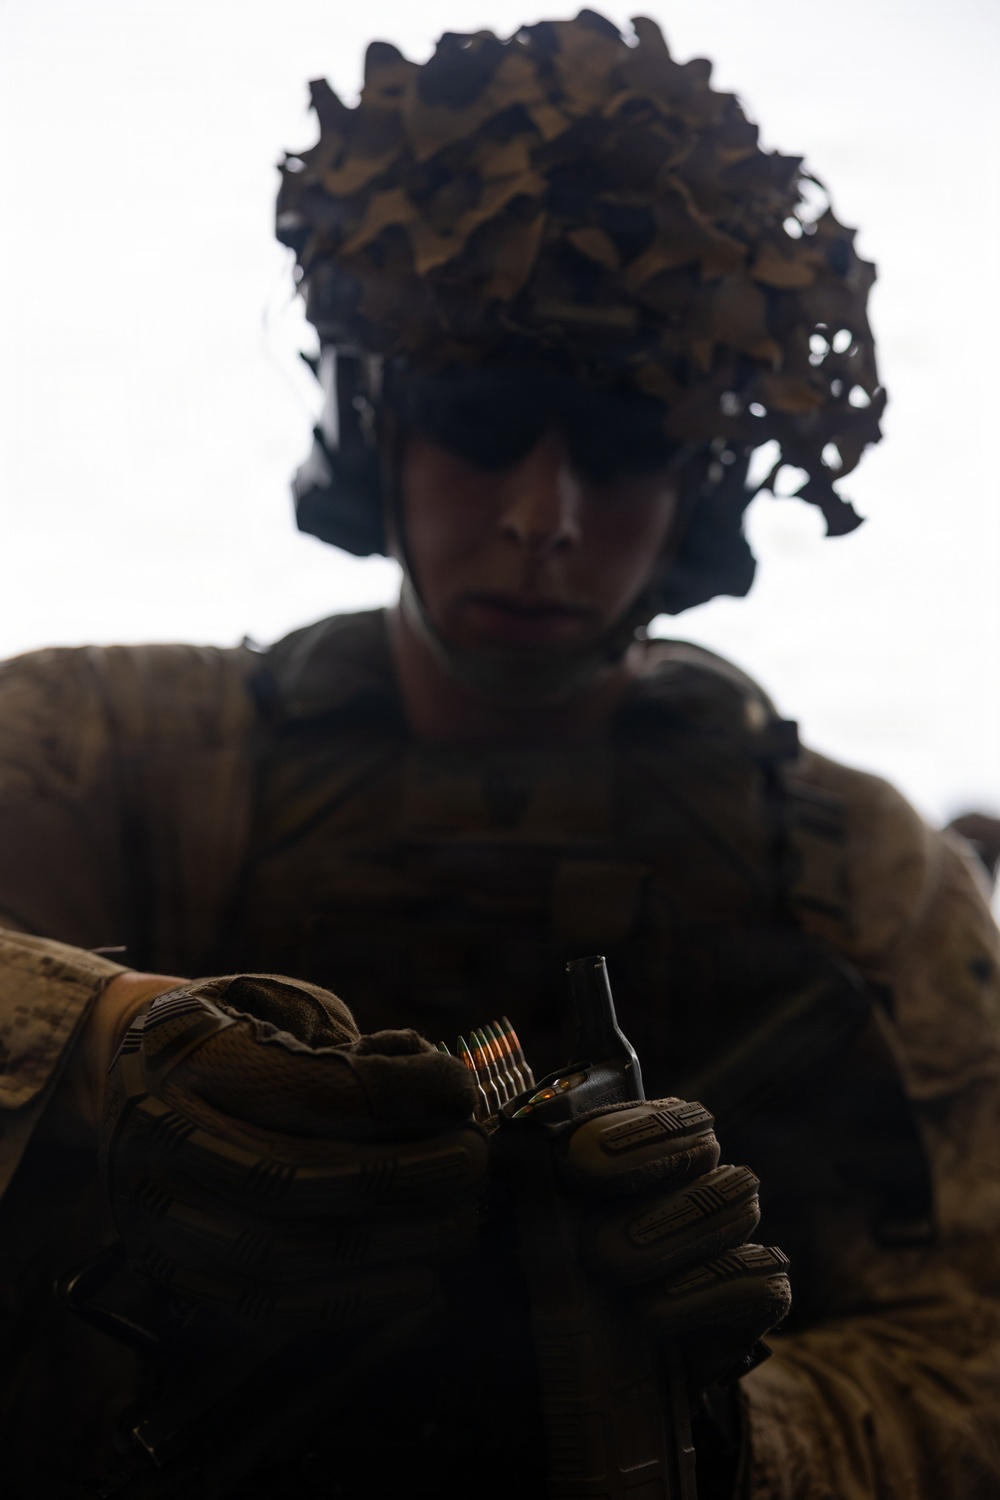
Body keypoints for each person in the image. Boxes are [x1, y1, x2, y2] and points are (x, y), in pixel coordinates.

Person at [1, 12, 998, 1497]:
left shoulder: (863, 879)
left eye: (618, 445)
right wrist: (93, 1048)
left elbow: (966, 1358)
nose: (545, 516)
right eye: (481, 420)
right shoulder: (97, 753)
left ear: (701, 482)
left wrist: (724, 1426)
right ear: (374, 428)